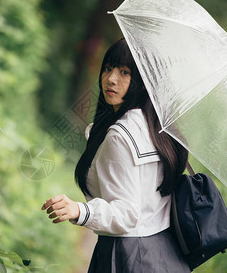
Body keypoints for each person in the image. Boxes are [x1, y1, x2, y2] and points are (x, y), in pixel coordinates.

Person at [41, 39, 190, 272]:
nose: (111, 78)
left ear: (142, 81)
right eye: (109, 68)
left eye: (125, 72)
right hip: (163, 254)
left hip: (126, 256)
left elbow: (128, 213)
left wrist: (79, 210)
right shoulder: (157, 128)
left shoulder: (120, 135)